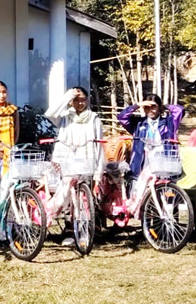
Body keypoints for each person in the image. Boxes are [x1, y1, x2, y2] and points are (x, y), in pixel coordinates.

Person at [45, 88, 104, 245]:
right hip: (67, 163)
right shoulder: (65, 117)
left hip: (88, 162)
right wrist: (68, 95)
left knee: (86, 198)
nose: (80, 102)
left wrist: (99, 172)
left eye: (83, 99)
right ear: (71, 101)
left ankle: (88, 230)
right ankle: (70, 230)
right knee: (69, 197)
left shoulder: (94, 118)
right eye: (77, 99)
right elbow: (50, 113)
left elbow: (99, 145)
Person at [117, 93, 185, 178]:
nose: (150, 110)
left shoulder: (169, 123)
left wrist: (165, 106)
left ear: (159, 107)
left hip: (164, 160)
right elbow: (122, 117)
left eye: (153, 107)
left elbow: (180, 111)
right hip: (142, 161)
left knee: (163, 187)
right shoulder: (138, 124)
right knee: (141, 187)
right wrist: (137, 105)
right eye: (146, 107)